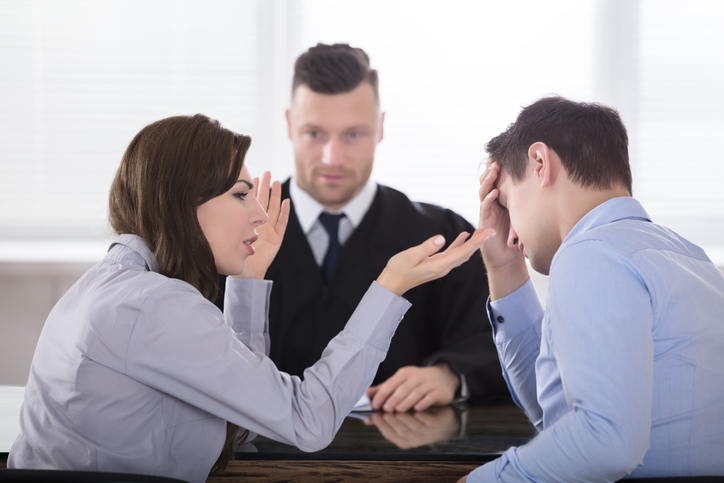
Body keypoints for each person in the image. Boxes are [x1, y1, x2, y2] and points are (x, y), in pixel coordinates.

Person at [6, 114, 492, 482]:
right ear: (183, 203)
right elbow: (307, 420)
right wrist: (390, 287)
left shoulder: (112, 286)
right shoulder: (153, 305)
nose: (260, 213)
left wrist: (249, 281)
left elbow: (244, 411)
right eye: (241, 195)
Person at [218, 43, 507, 412]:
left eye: (353, 135)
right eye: (314, 134)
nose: (332, 158)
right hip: (259, 452)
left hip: (403, 453)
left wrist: (450, 374)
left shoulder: (440, 235)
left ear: (381, 127)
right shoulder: (234, 229)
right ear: (290, 125)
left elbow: (501, 339)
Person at [462, 96, 724, 481]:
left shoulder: (592, 253)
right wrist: (504, 266)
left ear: (540, 163)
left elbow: (605, 440)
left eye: (506, 202)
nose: (511, 232)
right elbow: (561, 410)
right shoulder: (692, 258)